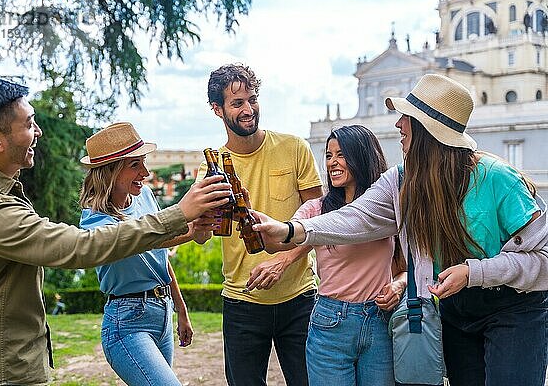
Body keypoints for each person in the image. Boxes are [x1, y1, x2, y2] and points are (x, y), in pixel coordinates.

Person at [253, 74, 548, 386]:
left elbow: (543, 261)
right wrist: (290, 230)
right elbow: (355, 218)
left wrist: (473, 272)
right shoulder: (401, 181)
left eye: (406, 118)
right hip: (457, 309)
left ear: (427, 130)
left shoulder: (499, 180)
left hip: (515, 308)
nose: (398, 126)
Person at [0, 77, 231, 386]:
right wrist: (180, 213)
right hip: (2, 370)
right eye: (29, 124)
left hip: (8, 360)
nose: (38, 132)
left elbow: (154, 253)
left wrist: (189, 229)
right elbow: (82, 247)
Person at [249, 125, 406, 386]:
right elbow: (280, 242)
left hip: (379, 321)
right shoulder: (317, 209)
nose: (333, 162)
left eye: (341, 154)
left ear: (362, 157)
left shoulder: (386, 210)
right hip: (331, 324)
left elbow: (406, 267)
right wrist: (257, 224)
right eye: (329, 155)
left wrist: (398, 286)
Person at [200, 64, 323, 386]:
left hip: (300, 298)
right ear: (217, 109)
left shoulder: (294, 148)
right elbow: (201, 232)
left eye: (252, 99)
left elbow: (323, 220)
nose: (248, 109)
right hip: (242, 302)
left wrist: (283, 261)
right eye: (237, 103)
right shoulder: (211, 167)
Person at [78, 122, 198, 385]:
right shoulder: (95, 220)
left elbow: (160, 257)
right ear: (110, 170)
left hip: (162, 312)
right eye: (134, 165)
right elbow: (138, 240)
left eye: (143, 162)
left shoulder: (143, 195)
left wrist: (181, 309)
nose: (145, 172)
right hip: (127, 322)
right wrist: (188, 231)